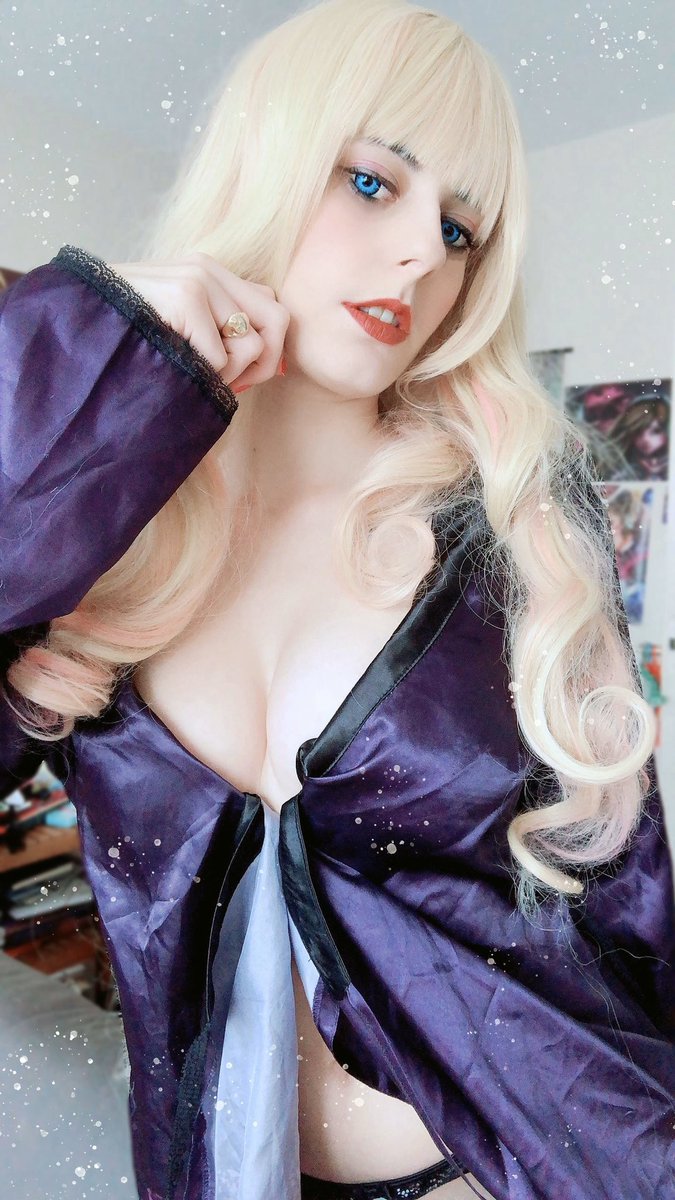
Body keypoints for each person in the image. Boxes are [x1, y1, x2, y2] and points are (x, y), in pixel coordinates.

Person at [1, 1, 673, 1198]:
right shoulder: (113, 526)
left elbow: (632, 907)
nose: (423, 255)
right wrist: (96, 351)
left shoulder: (513, 523)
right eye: (372, 182)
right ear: (266, 162)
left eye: (459, 228)